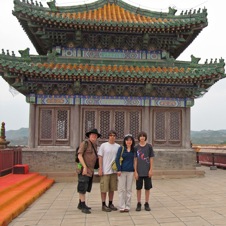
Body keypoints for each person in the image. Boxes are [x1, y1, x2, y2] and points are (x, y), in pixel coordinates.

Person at [76, 128, 101, 214]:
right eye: (92, 135)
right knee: (82, 186)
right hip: (84, 169)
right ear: (89, 136)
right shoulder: (85, 143)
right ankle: (83, 205)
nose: (94, 136)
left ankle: (80, 203)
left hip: (90, 170)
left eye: (95, 135)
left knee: (85, 186)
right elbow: (79, 155)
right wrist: (84, 167)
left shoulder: (94, 145)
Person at [98, 130, 120, 212]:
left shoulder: (118, 146)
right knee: (104, 188)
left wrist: (119, 169)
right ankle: (103, 204)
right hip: (105, 171)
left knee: (112, 188)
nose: (112, 137)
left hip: (114, 171)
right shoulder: (104, 145)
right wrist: (100, 168)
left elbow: (119, 159)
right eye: (110, 135)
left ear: (115, 137)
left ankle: (110, 203)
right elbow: (100, 157)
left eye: (114, 135)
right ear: (108, 137)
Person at [134, 131, 154, 211]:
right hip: (139, 171)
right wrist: (135, 171)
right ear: (139, 138)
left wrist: (151, 169)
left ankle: (146, 203)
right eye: (141, 136)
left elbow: (151, 158)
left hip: (147, 171)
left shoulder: (149, 147)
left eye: (143, 136)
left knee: (147, 188)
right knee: (138, 188)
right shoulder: (136, 147)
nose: (142, 137)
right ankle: (138, 203)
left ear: (145, 137)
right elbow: (135, 160)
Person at [115, 134, 135, 212]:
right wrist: (119, 169)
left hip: (130, 171)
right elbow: (117, 159)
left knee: (129, 189)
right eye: (127, 140)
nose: (129, 141)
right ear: (125, 141)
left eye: (130, 140)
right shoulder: (121, 148)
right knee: (122, 189)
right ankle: (121, 206)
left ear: (132, 141)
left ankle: (127, 206)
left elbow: (136, 160)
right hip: (122, 171)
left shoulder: (134, 149)